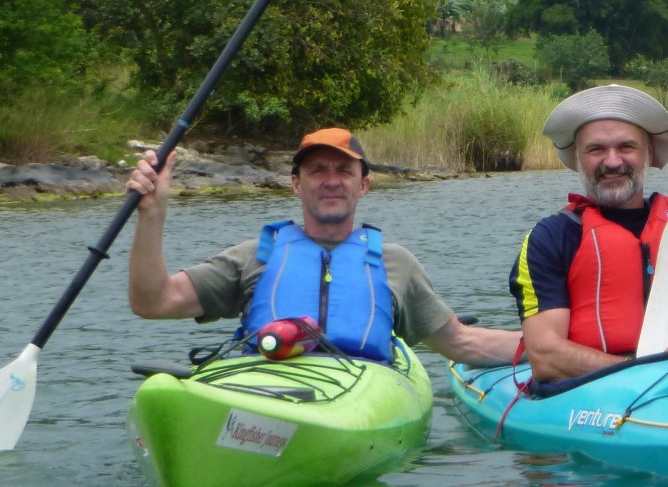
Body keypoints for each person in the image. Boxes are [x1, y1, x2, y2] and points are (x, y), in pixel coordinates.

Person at [127, 127, 522, 366]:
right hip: (265, 388)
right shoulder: (255, 255)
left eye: (344, 171)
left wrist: (558, 347)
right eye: (317, 170)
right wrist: (152, 214)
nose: (331, 180)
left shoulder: (395, 263)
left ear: (363, 185)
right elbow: (154, 301)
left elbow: (461, 342)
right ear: (297, 184)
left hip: (358, 393)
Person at [510, 84, 668, 382]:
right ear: (578, 157)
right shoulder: (551, 237)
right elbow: (546, 358)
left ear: (648, 153)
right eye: (596, 149)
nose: (612, 162)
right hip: (593, 392)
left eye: (626, 147)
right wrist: (640, 366)